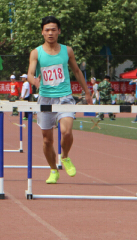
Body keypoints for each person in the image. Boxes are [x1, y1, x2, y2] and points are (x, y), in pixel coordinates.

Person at [26, 16, 92, 184]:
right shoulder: (36, 52)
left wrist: (87, 92)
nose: (50, 33)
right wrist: (34, 81)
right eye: (47, 30)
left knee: (67, 131)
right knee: (47, 139)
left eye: (53, 30)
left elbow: (77, 71)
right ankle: (53, 170)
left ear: (59, 31)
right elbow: (30, 73)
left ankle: (65, 157)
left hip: (65, 97)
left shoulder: (67, 51)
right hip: (45, 99)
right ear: (42, 32)